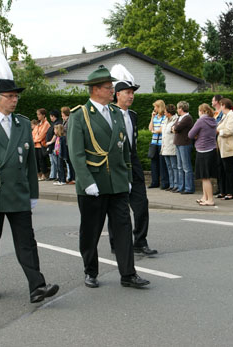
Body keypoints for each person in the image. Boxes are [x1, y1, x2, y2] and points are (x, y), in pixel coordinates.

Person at [0, 53, 59, 303]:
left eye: (17, 96)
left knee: (27, 242)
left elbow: (29, 163)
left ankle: (37, 286)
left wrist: (33, 194)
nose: (15, 100)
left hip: (17, 192)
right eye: (10, 96)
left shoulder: (22, 123)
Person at [67, 65, 150, 289]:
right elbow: (76, 153)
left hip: (118, 183)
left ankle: (128, 274)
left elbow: (124, 149)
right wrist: (86, 182)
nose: (112, 90)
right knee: (91, 231)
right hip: (94, 184)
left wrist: (127, 175)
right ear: (95, 90)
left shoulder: (116, 113)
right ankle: (90, 271)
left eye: (112, 87)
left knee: (123, 229)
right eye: (107, 87)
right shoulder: (80, 116)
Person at [107, 63, 158, 256]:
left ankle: (140, 240)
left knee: (141, 204)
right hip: (115, 166)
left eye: (132, 92)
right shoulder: (108, 115)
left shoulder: (133, 116)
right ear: (116, 94)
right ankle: (116, 243)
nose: (131, 96)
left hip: (133, 164)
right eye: (127, 92)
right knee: (116, 208)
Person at [188, 103, 217, 206]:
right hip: (212, 149)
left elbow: (190, 134)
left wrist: (197, 135)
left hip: (203, 150)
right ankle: (205, 197)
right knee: (205, 177)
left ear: (202, 111)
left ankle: (210, 200)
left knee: (205, 177)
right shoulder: (213, 120)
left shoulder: (200, 121)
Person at [216, 98, 233, 200]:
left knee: (229, 170)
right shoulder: (226, 116)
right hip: (222, 147)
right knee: (221, 169)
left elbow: (229, 131)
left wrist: (218, 131)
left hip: (229, 148)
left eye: (220, 105)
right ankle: (223, 191)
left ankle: (232, 192)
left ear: (223, 105)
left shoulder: (232, 116)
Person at [172, 101, 194, 194]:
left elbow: (176, 128)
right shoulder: (180, 118)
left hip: (185, 144)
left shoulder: (187, 118)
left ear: (181, 108)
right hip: (178, 143)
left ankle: (189, 188)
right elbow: (173, 127)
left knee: (186, 167)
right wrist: (174, 128)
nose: (177, 110)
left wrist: (174, 128)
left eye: (178, 108)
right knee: (180, 167)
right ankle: (181, 187)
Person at [148, 100, 168, 189]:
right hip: (154, 143)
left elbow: (161, 129)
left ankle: (164, 183)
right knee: (154, 163)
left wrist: (154, 131)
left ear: (159, 107)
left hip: (161, 143)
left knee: (162, 164)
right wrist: (152, 117)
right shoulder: (155, 116)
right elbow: (150, 128)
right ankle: (154, 182)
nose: (154, 109)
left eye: (155, 107)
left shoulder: (165, 117)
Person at [161, 104, 178, 192]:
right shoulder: (165, 120)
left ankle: (176, 184)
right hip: (165, 146)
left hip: (172, 146)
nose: (164, 113)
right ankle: (171, 184)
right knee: (169, 167)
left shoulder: (176, 120)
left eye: (165, 111)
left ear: (169, 112)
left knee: (174, 166)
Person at [211, 94, 225, 198]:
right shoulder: (214, 113)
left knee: (221, 166)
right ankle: (219, 188)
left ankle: (222, 188)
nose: (211, 102)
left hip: (219, 141)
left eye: (213, 100)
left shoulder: (222, 113)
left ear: (217, 101)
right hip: (214, 141)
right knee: (217, 165)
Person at [32, 108, 50, 181]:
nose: (38, 116)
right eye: (37, 114)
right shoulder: (38, 124)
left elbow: (42, 135)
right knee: (36, 161)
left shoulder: (46, 123)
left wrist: (35, 140)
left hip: (41, 145)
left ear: (43, 115)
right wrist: (33, 140)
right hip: (36, 145)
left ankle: (44, 174)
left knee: (42, 160)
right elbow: (33, 133)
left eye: (39, 114)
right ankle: (38, 174)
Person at [45, 110, 62, 181]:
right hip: (52, 145)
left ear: (53, 116)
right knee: (52, 161)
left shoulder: (57, 123)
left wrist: (50, 142)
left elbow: (56, 134)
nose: (50, 118)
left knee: (56, 162)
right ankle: (53, 175)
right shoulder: (53, 123)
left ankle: (58, 176)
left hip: (54, 146)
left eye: (51, 116)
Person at [61, 106, 75, 184]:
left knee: (71, 161)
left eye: (62, 113)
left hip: (69, 143)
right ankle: (70, 177)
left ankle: (73, 178)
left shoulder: (69, 120)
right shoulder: (65, 121)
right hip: (66, 143)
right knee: (68, 161)